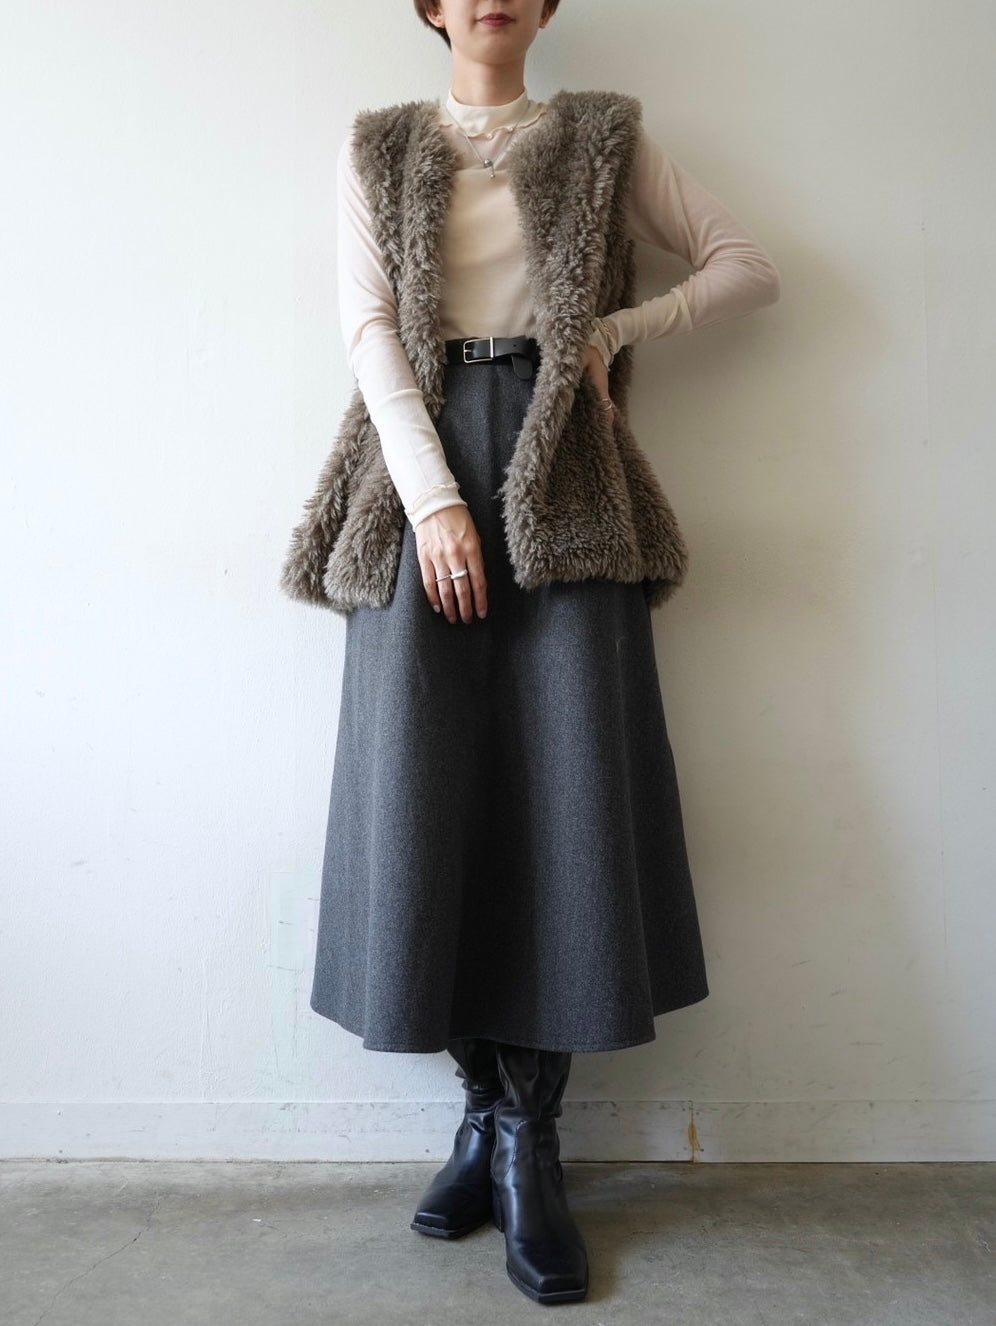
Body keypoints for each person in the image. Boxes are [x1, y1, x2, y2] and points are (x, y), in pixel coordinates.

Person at [280, 0, 781, 1306]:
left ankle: (526, 1142)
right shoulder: (380, 144)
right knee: (424, 796)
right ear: (432, 7)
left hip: (567, 478)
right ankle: (482, 1117)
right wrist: (435, 500)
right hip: (418, 474)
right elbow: (370, 328)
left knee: (565, 799)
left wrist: (611, 335)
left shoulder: (605, 137)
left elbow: (746, 267)